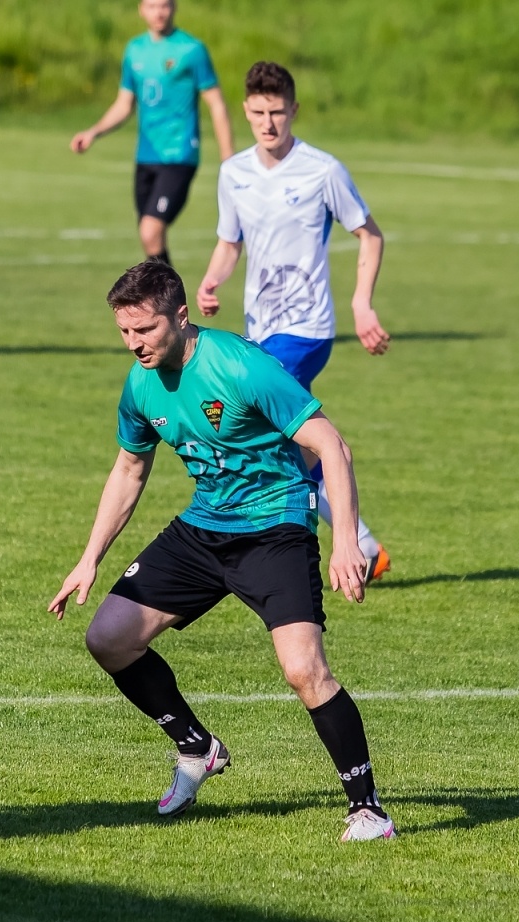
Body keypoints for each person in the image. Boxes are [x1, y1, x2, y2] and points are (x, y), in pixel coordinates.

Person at [50, 261, 395, 843]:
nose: (135, 344)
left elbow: (332, 445)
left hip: (273, 528)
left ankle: (368, 810)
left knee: (303, 670)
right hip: (205, 526)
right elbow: (130, 468)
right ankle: (197, 748)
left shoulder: (240, 366)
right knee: (108, 638)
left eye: (146, 330)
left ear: (181, 317)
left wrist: (345, 543)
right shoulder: (140, 383)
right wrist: (89, 558)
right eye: (125, 332)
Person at [195, 61, 392, 582]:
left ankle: (294, 548)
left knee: (263, 433)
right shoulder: (233, 173)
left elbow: (369, 235)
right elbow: (229, 243)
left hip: (307, 329)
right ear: (245, 111)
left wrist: (361, 303)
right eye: (258, 112)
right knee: (287, 441)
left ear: (294, 110)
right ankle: (363, 546)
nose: (268, 122)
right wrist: (212, 280)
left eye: (277, 112)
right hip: (258, 331)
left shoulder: (322, 170)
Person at [69, 0, 232, 269]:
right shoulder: (134, 51)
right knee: (151, 241)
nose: (159, 12)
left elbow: (216, 104)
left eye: (165, 5)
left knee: (150, 230)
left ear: (175, 7)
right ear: (141, 9)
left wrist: (229, 159)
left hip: (179, 155)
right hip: (146, 156)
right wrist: (93, 132)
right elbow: (124, 104)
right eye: (152, 6)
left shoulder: (191, 50)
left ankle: (170, 302)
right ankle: (165, 304)